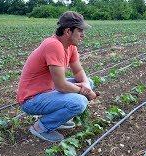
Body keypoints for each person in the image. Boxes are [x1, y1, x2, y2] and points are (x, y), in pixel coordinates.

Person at [16, 11, 97, 142]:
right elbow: (61, 86)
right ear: (68, 32)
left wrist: (86, 85)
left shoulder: (70, 46)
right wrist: (85, 92)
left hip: (48, 91)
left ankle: (60, 118)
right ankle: (41, 127)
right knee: (79, 102)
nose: (83, 35)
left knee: (89, 82)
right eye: (80, 31)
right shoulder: (53, 45)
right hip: (31, 99)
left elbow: (78, 71)